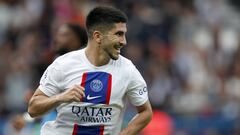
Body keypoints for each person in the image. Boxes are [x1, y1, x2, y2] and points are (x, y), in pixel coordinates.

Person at [28, 6, 152, 135]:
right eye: (118, 34)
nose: (124, 41)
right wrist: (60, 97)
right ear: (98, 36)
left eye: (124, 34)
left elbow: (146, 112)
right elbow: (33, 108)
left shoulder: (128, 70)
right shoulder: (63, 64)